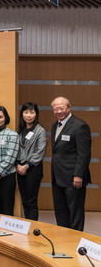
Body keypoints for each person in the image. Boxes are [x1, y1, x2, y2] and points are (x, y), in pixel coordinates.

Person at [50, 96, 91, 231]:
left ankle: (76, 241)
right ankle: (63, 239)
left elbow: (84, 154)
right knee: (60, 211)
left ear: (69, 108)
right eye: (55, 109)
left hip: (73, 178)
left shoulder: (80, 126)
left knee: (75, 212)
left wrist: (78, 175)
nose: (59, 111)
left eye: (61, 108)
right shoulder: (54, 125)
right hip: (58, 177)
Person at [16, 102, 46, 221]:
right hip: (20, 168)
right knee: (24, 200)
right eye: (26, 112)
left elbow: (40, 152)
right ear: (22, 113)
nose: (29, 115)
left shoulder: (40, 130)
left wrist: (26, 165)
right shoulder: (20, 130)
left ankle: (33, 226)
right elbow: (16, 148)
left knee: (31, 200)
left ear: (36, 114)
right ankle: (26, 225)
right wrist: (18, 164)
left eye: (32, 112)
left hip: (33, 169)